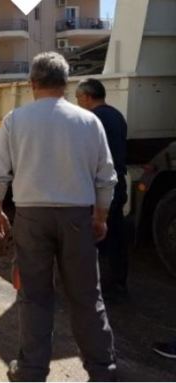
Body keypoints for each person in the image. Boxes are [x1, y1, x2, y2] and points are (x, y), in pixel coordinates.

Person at [0, 52, 118, 381]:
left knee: (35, 296)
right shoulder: (89, 121)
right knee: (87, 296)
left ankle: (31, 371)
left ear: (32, 84)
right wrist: (100, 216)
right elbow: (106, 176)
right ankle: (103, 371)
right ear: (66, 83)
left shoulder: (16, 120)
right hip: (77, 216)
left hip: (31, 218)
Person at [76, 78, 129, 302]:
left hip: (100, 186)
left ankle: (99, 286)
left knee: (97, 235)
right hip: (118, 182)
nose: (78, 103)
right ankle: (118, 283)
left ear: (87, 97)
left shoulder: (91, 119)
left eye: (79, 99)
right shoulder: (117, 115)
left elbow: (88, 157)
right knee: (117, 236)